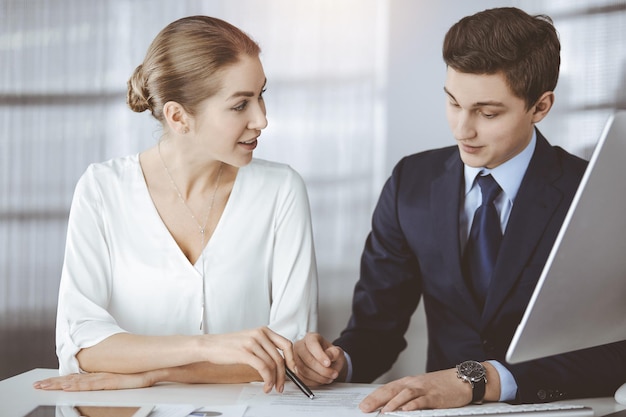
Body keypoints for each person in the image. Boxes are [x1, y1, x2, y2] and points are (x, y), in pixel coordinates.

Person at [293, 6, 626, 413]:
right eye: (453, 103)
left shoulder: (596, 192)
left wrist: (481, 381)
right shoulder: (410, 183)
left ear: (540, 107)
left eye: (488, 113)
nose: (462, 129)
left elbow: (616, 350)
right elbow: (375, 329)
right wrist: (336, 362)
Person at [33, 15, 318, 393]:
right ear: (179, 117)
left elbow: (290, 354)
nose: (261, 119)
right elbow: (83, 343)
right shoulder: (102, 189)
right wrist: (209, 347)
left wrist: (154, 372)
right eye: (240, 105)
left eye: (261, 94)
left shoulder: (281, 190)